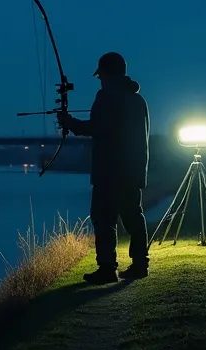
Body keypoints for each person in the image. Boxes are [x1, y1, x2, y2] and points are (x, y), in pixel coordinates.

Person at [57, 51, 151, 283]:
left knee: (103, 219)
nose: (100, 79)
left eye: (101, 75)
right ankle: (140, 264)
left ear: (107, 73)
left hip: (109, 172)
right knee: (134, 218)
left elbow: (98, 128)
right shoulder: (138, 99)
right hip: (133, 171)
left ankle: (107, 269)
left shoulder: (106, 96)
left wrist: (69, 122)